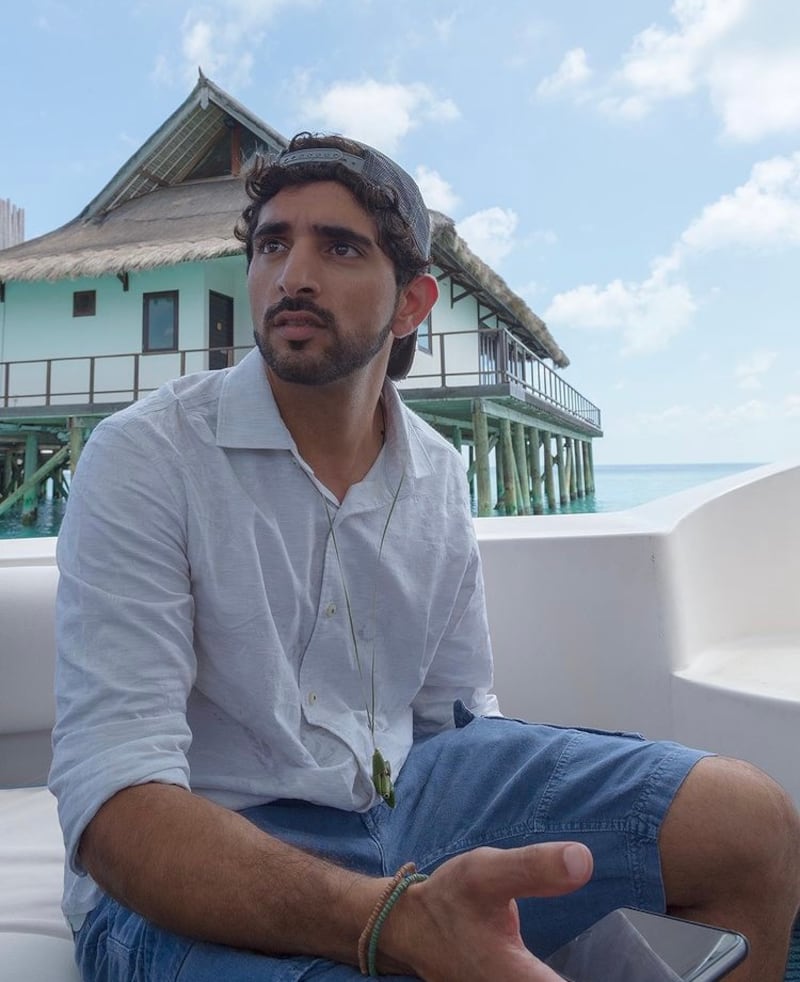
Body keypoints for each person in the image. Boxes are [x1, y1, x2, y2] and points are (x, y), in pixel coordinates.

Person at [49, 133, 800, 982]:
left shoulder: (437, 471)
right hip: (204, 845)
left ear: (412, 304)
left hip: (409, 798)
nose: (293, 274)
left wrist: (494, 841)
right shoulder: (146, 456)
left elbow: (455, 713)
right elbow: (116, 806)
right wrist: (397, 918)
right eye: (271, 243)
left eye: (338, 247)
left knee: (751, 824)